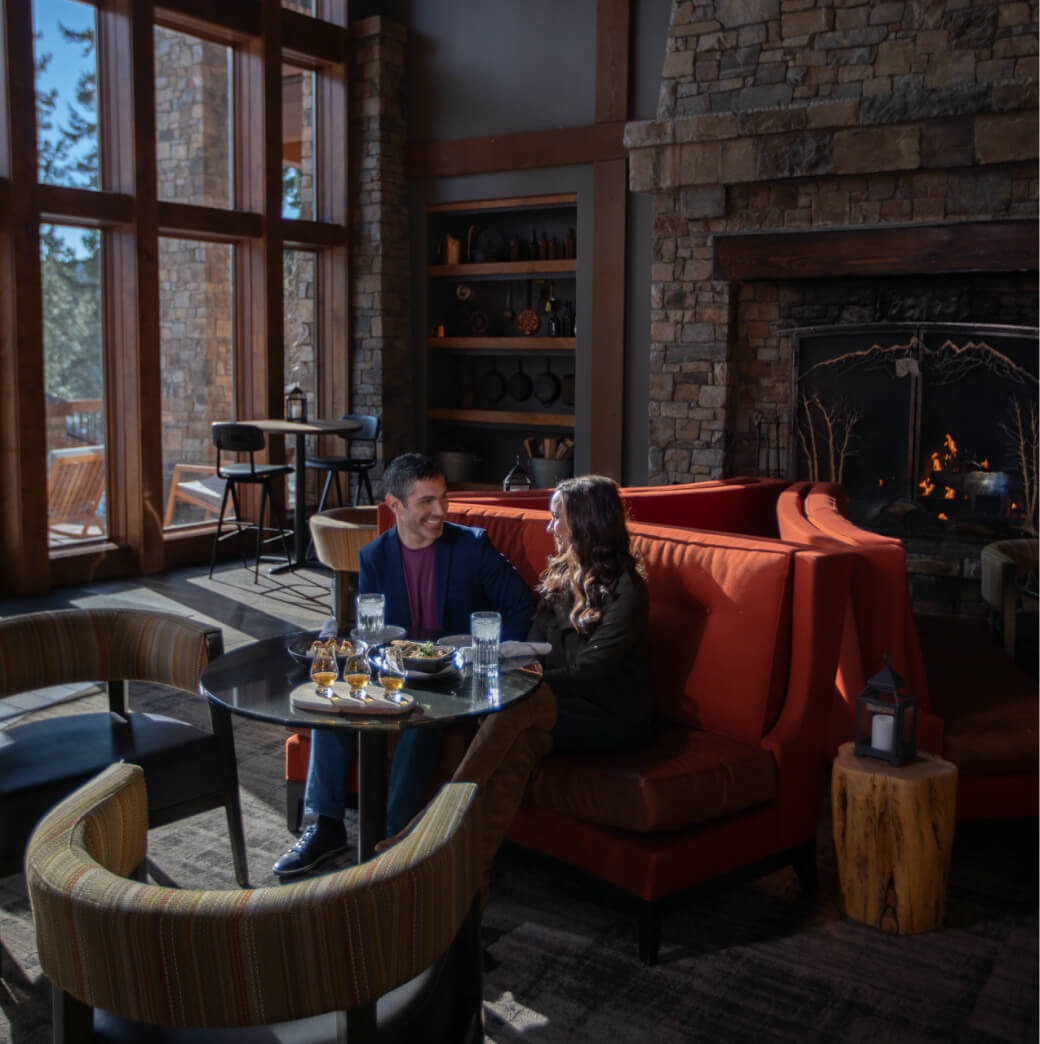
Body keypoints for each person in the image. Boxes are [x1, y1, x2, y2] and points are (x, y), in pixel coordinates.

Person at [381, 474, 654, 896]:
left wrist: (519, 679)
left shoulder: (627, 591)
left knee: (519, 703)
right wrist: (501, 664)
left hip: (610, 715)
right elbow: (534, 641)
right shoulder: (564, 572)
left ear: (585, 522)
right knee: (516, 755)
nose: (550, 529)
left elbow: (588, 674)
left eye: (557, 519)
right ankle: (468, 891)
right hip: (560, 708)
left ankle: (424, 827)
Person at [273, 452, 534, 878]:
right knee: (333, 699)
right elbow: (371, 631)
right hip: (393, 672)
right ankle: (324, 825)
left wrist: (489, 657)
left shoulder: (470, 545)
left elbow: (521, 605)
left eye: (443, 498)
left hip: (454, 678)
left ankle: (392, 843)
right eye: (426, 502)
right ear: (394, 505)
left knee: (417, 722)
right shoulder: (375, 556)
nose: (440, 510)